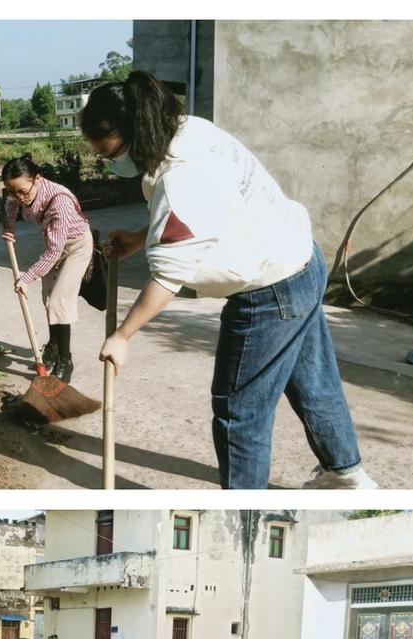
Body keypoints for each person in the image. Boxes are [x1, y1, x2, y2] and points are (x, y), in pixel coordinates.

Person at [81, 71, 377, 491]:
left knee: (239, 412)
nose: (111, 163)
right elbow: (201, 212)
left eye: (113, 153)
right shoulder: (188, 130)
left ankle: (241, 510)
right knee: (314, 381)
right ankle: (348, 474)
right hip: (301, 261)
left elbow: (168, 277)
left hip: (269, 292)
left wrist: (124, 336)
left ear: (137, 134)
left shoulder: (180, 175)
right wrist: (138, 238)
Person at [0, 155, 94, 383]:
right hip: (55, 243)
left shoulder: (59, 203)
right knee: (48, 297)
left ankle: (65, 360)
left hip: (77, 246)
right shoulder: (17, 193)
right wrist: (9, 227)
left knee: (59, 301)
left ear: (37, 179)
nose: (19, 198)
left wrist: (27, 277)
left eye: (23, 191)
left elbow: (53, 252)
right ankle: (52, 345)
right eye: (13, 191)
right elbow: (10, 204)